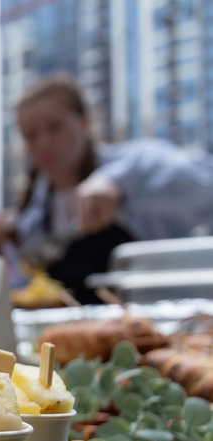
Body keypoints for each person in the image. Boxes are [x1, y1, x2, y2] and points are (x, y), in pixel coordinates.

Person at [14, 73, 213, 302]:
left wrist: (118, 183)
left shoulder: (136, 167)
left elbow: (205, 183)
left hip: (147, 326)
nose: (44, 143)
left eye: (55, 127)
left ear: (84, 122)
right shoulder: (33, 219)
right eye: (31, 136)